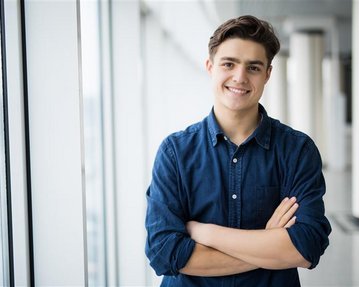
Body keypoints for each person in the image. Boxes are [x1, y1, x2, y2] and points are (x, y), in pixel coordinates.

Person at [145, 15, 331, 286]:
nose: (240, 77)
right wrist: (269, 243)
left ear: (267, 74)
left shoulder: (297, 150)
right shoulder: (175, 152)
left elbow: (307, 245)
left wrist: (205, 233)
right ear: (210, 67)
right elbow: (165, 254)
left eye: (253, 67)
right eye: (229, 64)